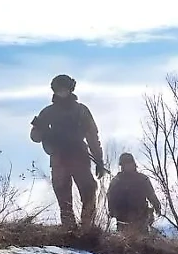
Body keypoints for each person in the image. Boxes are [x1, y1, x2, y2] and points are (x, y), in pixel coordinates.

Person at [30, 74, 108, 229]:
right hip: (59, 158)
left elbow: (92, 135)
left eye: (64, 88)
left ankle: (86, 228)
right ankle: (69, 231)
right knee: (64, 199)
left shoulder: (81, 110)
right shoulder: (48, 112)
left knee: (89, 192)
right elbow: (35, 137)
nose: (62, 92)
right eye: (59, 89)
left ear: (71, 89)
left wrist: (99, 160)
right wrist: (42, 130)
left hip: (79, 156)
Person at [107, 152, 162, 234]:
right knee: (124, 242)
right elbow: (110, 196)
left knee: (142, 240)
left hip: (140, 216)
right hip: (123, 217)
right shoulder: (116, 180)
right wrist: (112, 210)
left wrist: (156, 205)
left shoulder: (142, 179)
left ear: (133, 164)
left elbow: (151, 194)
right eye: (124, 164)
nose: (127, 166)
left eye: (129, 163)